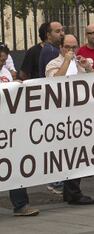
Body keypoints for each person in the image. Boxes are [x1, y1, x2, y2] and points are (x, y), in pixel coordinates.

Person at [44, 34, 94, 205]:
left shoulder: (79, 63)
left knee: (77, 154)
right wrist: (67, 61)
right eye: (68, 47)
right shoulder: (54, 63)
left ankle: (71, 191)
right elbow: (55, 81)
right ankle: (72, 192)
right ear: (61, 47)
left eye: (74, 47)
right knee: (69, 154)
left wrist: (87, 68)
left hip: (80, 114)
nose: (71, 51)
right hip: (62, 116)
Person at [0, 45, 40, 216]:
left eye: (3, 60)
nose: (1, 63)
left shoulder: (6, 72)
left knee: (14, 164)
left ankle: (21, 205)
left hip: (9, 126)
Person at [38, 21, 66, 193]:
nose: (61, 33)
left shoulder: (52, 49)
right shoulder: (50, 51)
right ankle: (56, 181)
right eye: (57, 31)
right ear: (48, 35)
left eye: (62, 30)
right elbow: (54, 79)